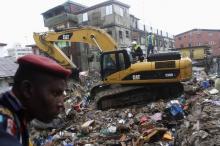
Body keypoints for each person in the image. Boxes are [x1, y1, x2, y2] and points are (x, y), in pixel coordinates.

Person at [0, 54, 71, 146]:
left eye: (62, 94)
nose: (62, 104)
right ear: (27, 89)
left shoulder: (18, 116)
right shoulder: (3, 125)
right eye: (55, 94)